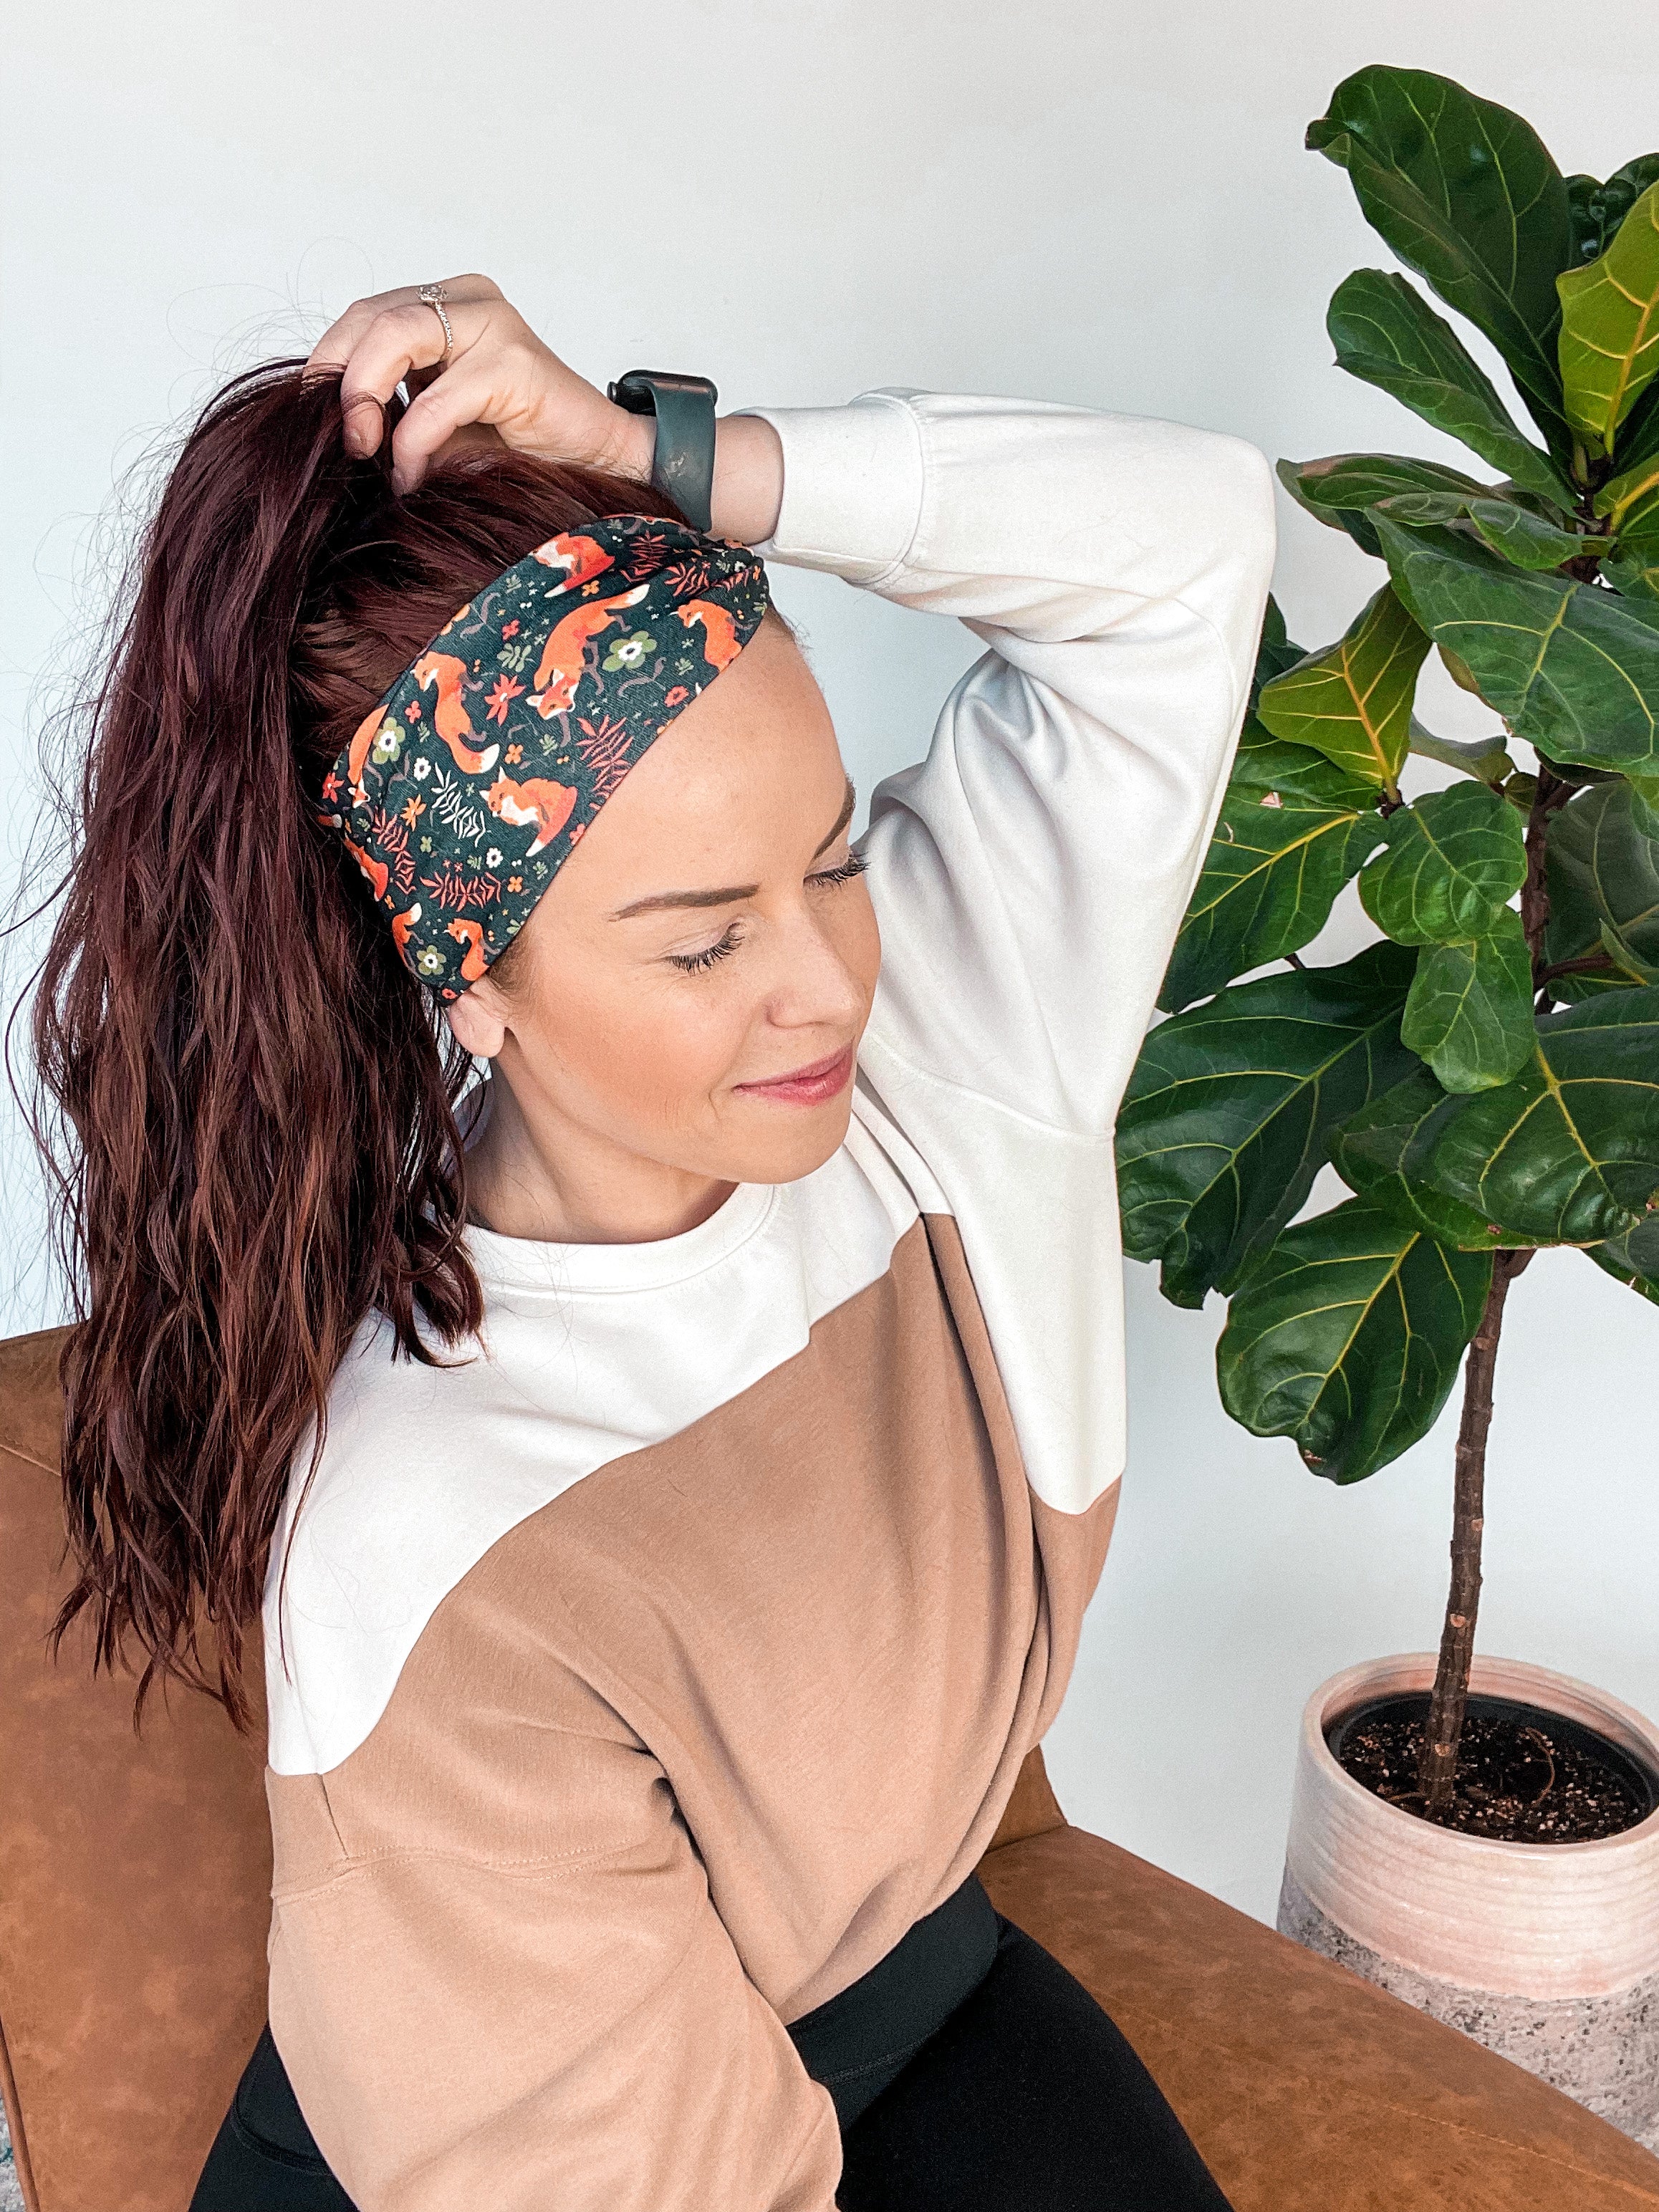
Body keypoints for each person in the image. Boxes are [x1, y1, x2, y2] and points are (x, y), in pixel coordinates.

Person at [33, 274, 1275, 2209]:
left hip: (896, 1982)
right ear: (473, 987)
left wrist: (658, 459)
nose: (828, 985)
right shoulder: (428, 1540)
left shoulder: (949, 1044)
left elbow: (1184, 544)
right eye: (702, 941)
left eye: (832, 856)